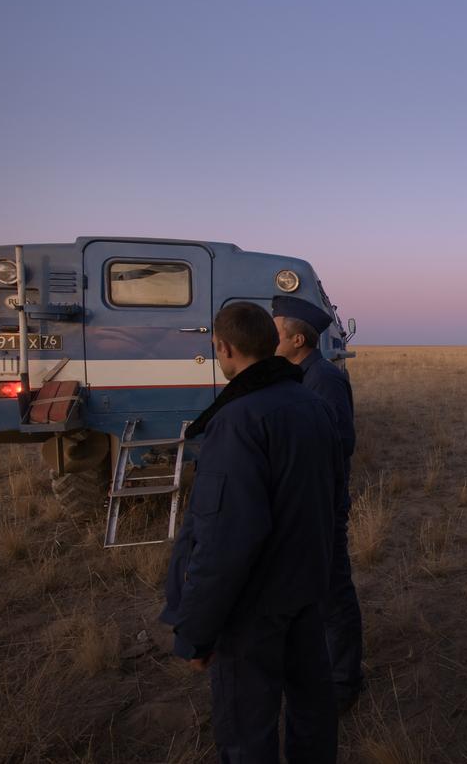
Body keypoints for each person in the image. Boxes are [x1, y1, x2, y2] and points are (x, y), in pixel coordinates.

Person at [161, 301, 343, 762]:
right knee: (312, 709)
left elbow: (225, 540)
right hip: (307, 587)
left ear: (223, 348)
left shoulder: (238, 420)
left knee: (247, 733)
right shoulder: (313, 404)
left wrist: (196, 630)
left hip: (254, 609)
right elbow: (331, 500)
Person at [271, 295, 364, 713]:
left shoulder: (322, 378)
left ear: (297, 339)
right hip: (303, 501)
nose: (269, 339)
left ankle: (344, 683)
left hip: (321, 501)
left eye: (275, 332)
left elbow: (341, 441)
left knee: (333, 593)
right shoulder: (295, 375)